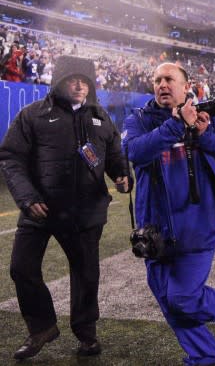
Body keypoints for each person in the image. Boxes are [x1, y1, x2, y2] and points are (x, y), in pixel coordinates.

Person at [123, 63, 215, 365]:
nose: (162, 85)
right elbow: (134, 153)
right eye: (157, 80)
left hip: (198, 225)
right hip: (155, 231)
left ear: (187, 86)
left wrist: (204, 132)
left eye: (169, 79)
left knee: (182, 298)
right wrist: (174, 126)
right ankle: (204, 355)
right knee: (168, 300)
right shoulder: (139, 120)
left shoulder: (207, 119)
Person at [0, 56, 128, 359]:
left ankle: (86, 334)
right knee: (21, 268)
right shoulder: (31, 115)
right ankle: (41, 327)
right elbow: (11, 158)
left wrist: (122, 173)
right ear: (58, 80)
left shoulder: (100, 116)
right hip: (40, 210)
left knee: (85, 274)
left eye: (85, 80)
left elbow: (113, 152)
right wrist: (28, 198)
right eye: (73, 79)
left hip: (86, 212)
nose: (80, 85)